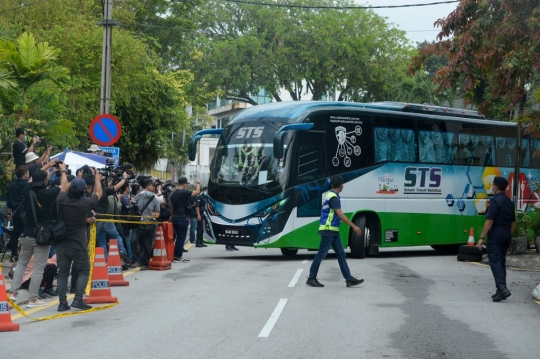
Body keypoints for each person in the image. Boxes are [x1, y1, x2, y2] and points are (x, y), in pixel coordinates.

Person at [9, 166, 65, 307]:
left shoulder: (27, 190)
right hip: (42, 236)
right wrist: (63, 170)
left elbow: (32, 178)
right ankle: (32, 299)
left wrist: (47, 165)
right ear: (44, 181)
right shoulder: (49, 193)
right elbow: (64, 185)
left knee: (22, 263)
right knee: (39, 268)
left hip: (27, 234)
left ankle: (13, 293)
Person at [56, 169, 103, 311]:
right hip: (77, 244)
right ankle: (78, 299)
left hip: (61, 242)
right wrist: (96, 178)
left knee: (63, 273)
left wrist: (64, 171)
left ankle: (62, 303)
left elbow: (63, 186)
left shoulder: (61, 199)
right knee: (84, 270)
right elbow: (99, 193)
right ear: (83, 192)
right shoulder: (84, 204)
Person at [306, 176, 364, 288]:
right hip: (328, 230)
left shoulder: (330, 195)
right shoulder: (333, 198)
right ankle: (311, 278)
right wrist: (354, 227)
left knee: (341, 254)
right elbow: (340, 215)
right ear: (341, 185)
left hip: (333, 231)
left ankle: (349, 279)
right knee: (321, 255)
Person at [477, 176, 516, 302]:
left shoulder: (495, 201)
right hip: (506, 232)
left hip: (496, 234)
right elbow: (513, 222)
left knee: (494, 261)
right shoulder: (510, 202)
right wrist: (508, 234)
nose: (492, 187)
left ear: (495, 187)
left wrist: (481, 238)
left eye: (493, 186)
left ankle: (502, 288)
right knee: (501, 261)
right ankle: (500, 291)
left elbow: (490, 220)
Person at [169, 177, 201, 262]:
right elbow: (197, 192)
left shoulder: (173, 193)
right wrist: (198, 183)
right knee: (181, 238)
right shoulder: (183, 193)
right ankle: (177, 256)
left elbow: (171, 206)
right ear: (185, 184)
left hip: (175, 217)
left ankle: (175, 254)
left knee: (176, 237)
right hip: (182, 217)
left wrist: (171, 216)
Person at [131, 181, 161, 270]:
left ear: (155, 192)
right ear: (145, 188)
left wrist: (154, 215)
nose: (149, 192)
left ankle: (145, 263)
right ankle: (136, 260)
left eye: (151, 191)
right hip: (137, 224)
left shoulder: (156, 200)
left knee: (147, 246)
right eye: (148, 190)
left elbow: (158, 213)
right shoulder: (138, 197)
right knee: (133, 241)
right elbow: (133, 205)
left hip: (148, 226)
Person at [6, 165, 29, 261]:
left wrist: (9, 214)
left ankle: (14, 254)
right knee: (27, 233)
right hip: (26, 211)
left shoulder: (11, 186)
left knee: (16, 233)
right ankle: (26, 254)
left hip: (16, 212)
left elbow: (9, 202)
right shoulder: (27, 185)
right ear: (25, 174)